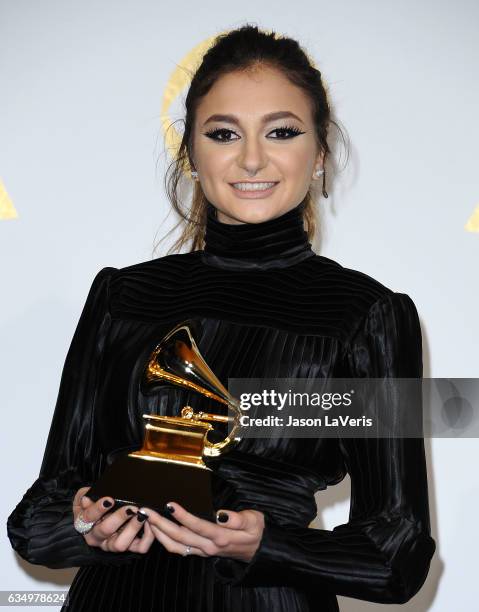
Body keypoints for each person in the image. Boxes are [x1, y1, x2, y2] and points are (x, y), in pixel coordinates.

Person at [7, 25, 436, 612]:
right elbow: (36, 520)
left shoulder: (365, 316)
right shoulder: (122, 297)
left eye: (281, 132)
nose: (253, 158)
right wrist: (88, 527)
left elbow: (398, 551)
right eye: (224, 133)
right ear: (190, 152)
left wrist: (268, 546)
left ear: (320, 153)